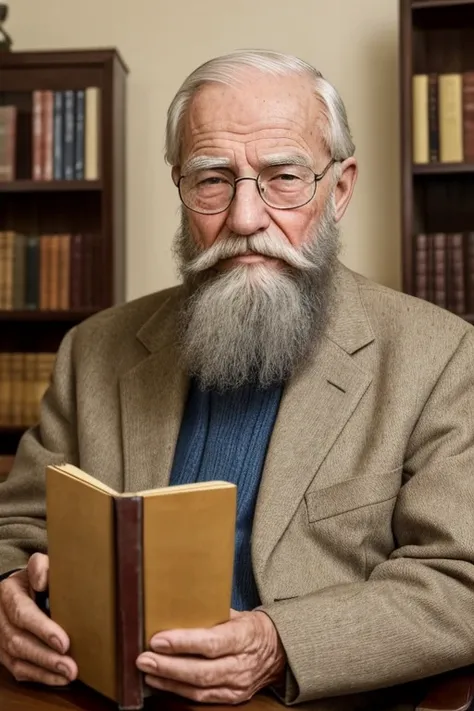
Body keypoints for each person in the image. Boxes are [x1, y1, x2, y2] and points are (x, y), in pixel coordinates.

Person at [0, 49, 474, 711]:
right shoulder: (95, 349)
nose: (246, 218)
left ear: (339, 189)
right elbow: (17, 526)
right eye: (213, 180)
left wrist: (278, 642)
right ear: (181, 190)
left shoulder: (440, 356)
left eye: (283, 177)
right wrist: (8, 593)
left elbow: (461, 581)